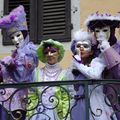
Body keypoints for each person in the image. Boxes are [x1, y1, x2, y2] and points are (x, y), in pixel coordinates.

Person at [66, 29, 117, 120]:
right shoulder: (73, 69)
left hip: (96, 103)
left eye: (85, 46)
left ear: (91, 51)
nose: (81, 48)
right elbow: (71, 89)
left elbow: (94, 75)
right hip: (79, 104)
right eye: (78, 46)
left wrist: (78, 64)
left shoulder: (97, 61)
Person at [0, 5, 38, 120]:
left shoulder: (30, 51)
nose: (15, 40)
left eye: (18, 35)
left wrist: (12, 65)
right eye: (12, 37)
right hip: (7, 99)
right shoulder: (15, 54)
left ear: (24, 34)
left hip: (22, 100)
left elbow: (22, 75)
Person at [85, 11, 120, 119]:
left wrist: (107, 49)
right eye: (97, 31)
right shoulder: (93, 51)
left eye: (105, 30)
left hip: (115, 97)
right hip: (97, 102)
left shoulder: (118, 48)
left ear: (112, 31)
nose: (101, 34)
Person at [27, 39, 70, 120]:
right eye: (46, 52)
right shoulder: (36, 72)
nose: (49, 54)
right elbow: (32, 95)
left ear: (59, 53)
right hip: (38, 113)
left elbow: (66, 98)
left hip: (57, 114)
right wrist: (29, 114)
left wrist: (65, 117)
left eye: (53, 51)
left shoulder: (65, 74)